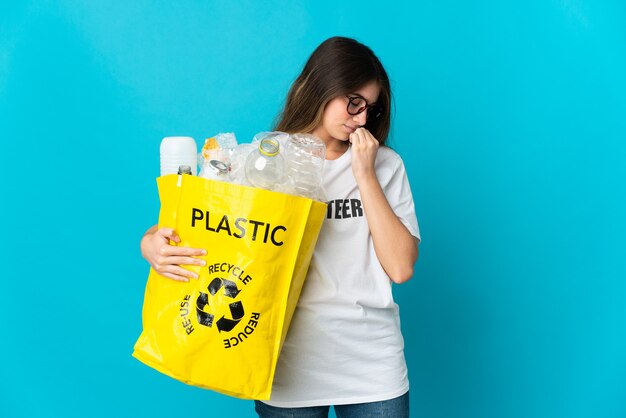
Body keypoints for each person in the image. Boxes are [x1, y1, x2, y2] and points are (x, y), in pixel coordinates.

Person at [140, 36, 420, 418]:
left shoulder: (385, 165)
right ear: (321, 86)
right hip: (286, 365)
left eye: (371, 108)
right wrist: (151, 243)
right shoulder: (263, 162)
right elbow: (197, 224)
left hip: (372, 365)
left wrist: (364, 175)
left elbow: (401, 268)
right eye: (353, 101)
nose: (361, 118)